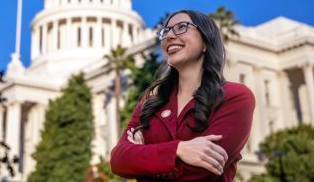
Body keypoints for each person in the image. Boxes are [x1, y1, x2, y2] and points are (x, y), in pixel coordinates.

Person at [110, 10, 256, 182]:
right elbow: (118, 160)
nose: (169, 36)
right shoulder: (151, 102)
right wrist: (179, 150)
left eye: (181, 27)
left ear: (205, 42)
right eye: (165, 31)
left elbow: (203, 172)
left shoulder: (235, 97)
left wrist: (143, 158)